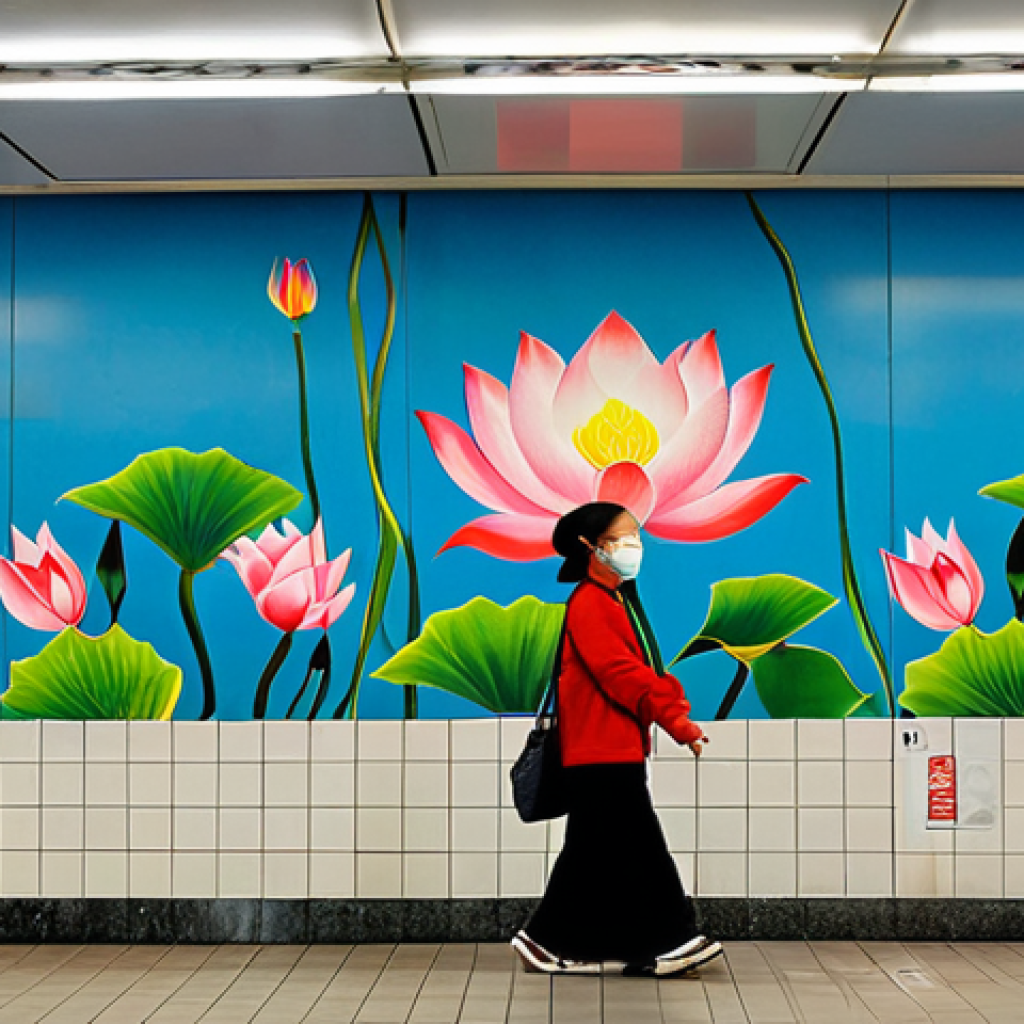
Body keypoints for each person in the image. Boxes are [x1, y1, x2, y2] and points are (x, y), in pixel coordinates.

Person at [511, 501, 722, 978]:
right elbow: (622, 674)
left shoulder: (611, 601)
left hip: (608, 748)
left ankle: (550, 942)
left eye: (636, 537)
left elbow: (632, 672)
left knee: (595, 853)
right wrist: (677, 720)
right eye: (624, 538)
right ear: (592, 547)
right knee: (640, 849)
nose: (635, 547)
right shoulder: (591, 603)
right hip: (601, 752)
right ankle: (672, 940)